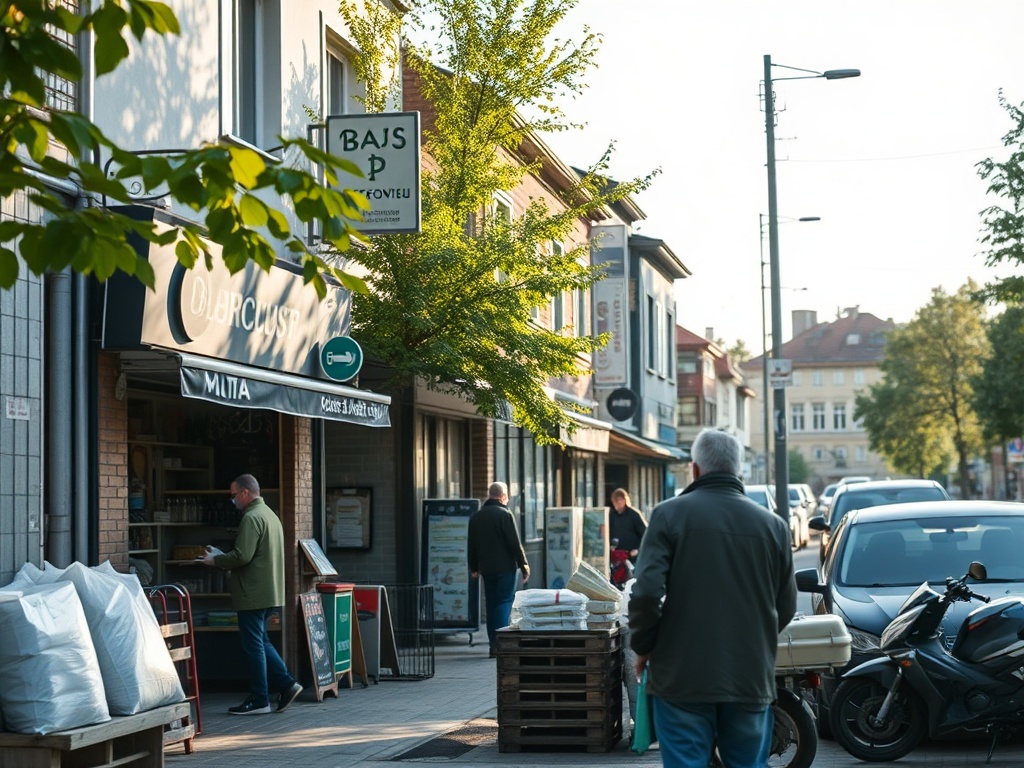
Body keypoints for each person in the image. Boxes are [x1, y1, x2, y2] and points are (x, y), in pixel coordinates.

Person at [628, 429, 796, 768]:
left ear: (694, 470)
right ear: (738, 470)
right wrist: (751, 643)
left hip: (681, 677)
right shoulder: (774, 527)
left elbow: (645, 593)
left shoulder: (667, 515)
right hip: (748, 676)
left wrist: (644, 647)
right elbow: (786, 607)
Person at [198, 474, 303, 715]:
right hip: (269, 590)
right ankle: (287, 684)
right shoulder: (270, 515)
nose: (232, 500)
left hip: (252, 592)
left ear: (245, 492)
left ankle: (260, 698)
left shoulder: (251, 517)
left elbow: (243, 556)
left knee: (253, 644)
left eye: (234, 495)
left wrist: (216, 560)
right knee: (262, 640)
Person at [467, 481, 530, 658]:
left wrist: (474, 567)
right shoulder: (505, 514)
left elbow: (471, 544)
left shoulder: (477, 516)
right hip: (505, 568)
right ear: (503, 496)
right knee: (503, 602)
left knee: (492, 604)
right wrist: (523, 565)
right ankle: (502, 644)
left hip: (486, 569)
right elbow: (514, 543)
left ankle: (493, 644)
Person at [609, 488, 647, 559]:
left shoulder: (634, 514)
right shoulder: (611, 515)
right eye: (614, 501)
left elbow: (645, 534)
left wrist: (638, 550)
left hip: (632, 555)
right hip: (616, 556)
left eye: (618, 500)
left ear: (624, 500)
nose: (616, 503)